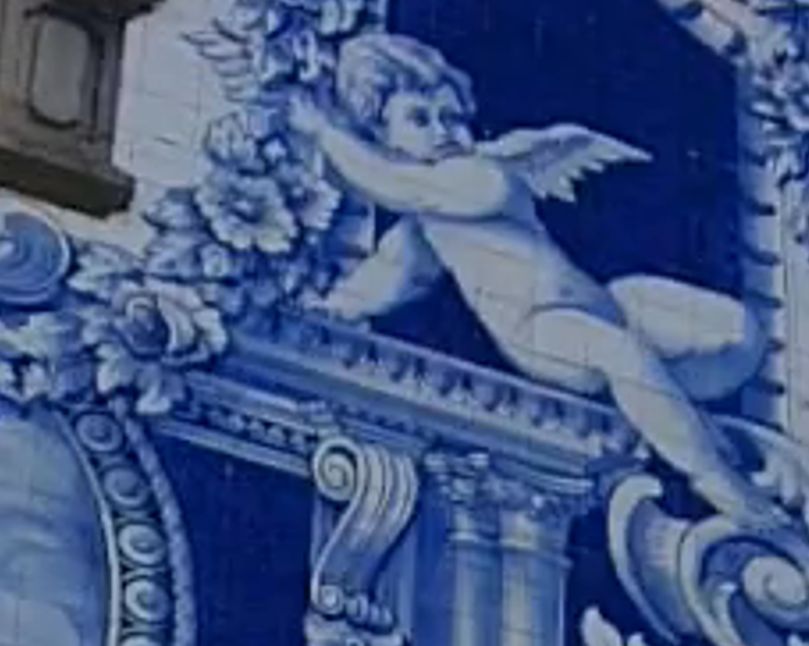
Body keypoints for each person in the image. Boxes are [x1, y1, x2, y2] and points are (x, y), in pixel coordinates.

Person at [298, 32, 760, 513]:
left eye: (452, 117)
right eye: (419, 119)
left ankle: (680, 417)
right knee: (618, 352)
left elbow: (398, 187)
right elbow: (392, 274)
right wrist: (335, 308)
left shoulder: (482, 176)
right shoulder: (427, 224)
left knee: (736, 332)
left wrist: (325, 133)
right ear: (382, 136)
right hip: (540, 327)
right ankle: (715, 478)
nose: (442, 131)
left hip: (607, 302)